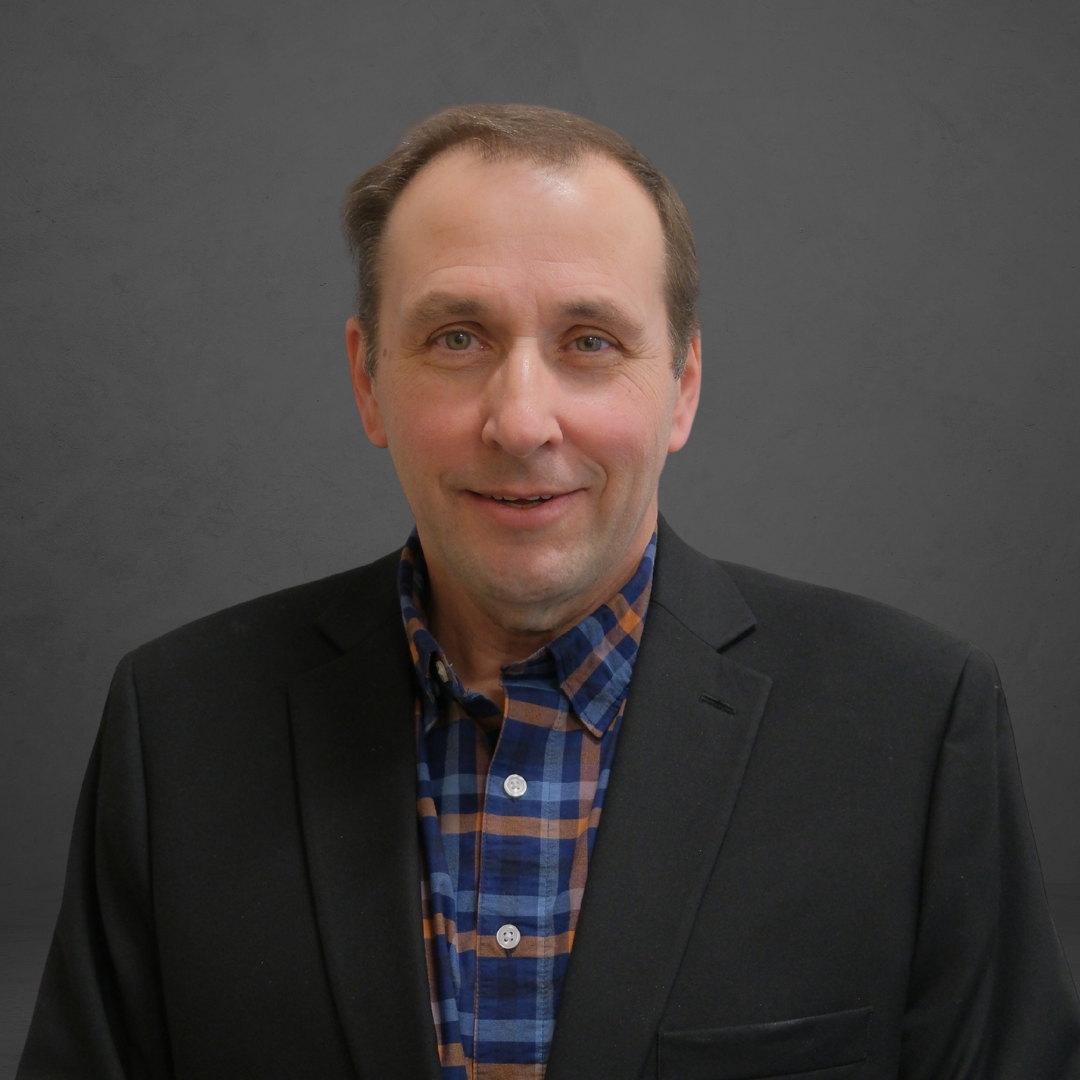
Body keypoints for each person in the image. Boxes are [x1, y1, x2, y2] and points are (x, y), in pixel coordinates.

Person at [18, 104, 1080, 1080]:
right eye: (457, 338)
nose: (521, 421)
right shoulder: (181, 729)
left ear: (683, 387)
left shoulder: (913, 730)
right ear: (367, 380)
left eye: (590, 343)